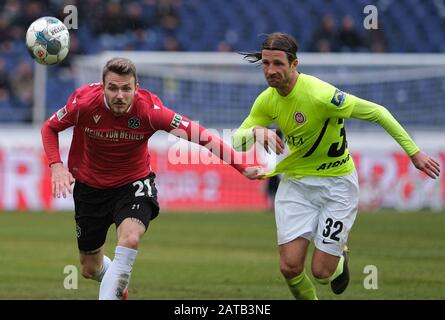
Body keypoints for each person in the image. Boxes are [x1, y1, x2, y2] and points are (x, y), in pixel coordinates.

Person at [232, 32, 441, 300]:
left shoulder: (321, 95)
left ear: (294, 64)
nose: (270, 71)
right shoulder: (267, 99)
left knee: (321, 272)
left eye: (278, 64)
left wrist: (414, 153)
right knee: (289, 267)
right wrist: (256, 132)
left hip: (337, 186)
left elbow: (378, 112)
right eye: (266, 64)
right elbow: (237, 141)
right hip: (296, 185)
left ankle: (339, 255)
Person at [41, 57, 260, 300]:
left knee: (131, 238)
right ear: (102, 88)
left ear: (136, 88)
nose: (120, 96)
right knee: (89, 268)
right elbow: (49, 128)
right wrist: (56, 166)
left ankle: (115, 283)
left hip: (133, 184)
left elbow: (201, 136)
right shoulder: (83, 104)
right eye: (113, 88)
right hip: (90, 188)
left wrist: (241, 165)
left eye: (126, 89)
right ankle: (117, 281)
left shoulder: (150, 111)